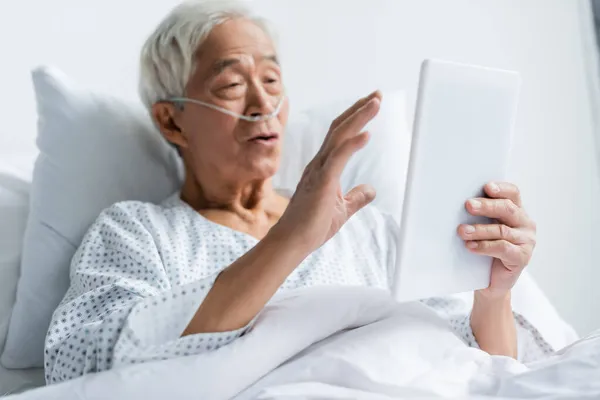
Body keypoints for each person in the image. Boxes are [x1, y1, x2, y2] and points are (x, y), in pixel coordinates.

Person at [44, 0, 547, 384]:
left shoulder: (366, 228)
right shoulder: (136, 232)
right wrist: (291, 240)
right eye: (230, 86)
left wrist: (492, 293)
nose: (263, 103)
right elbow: (81, 366)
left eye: (272, 79)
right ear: (172, 120)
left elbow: (482, 367)